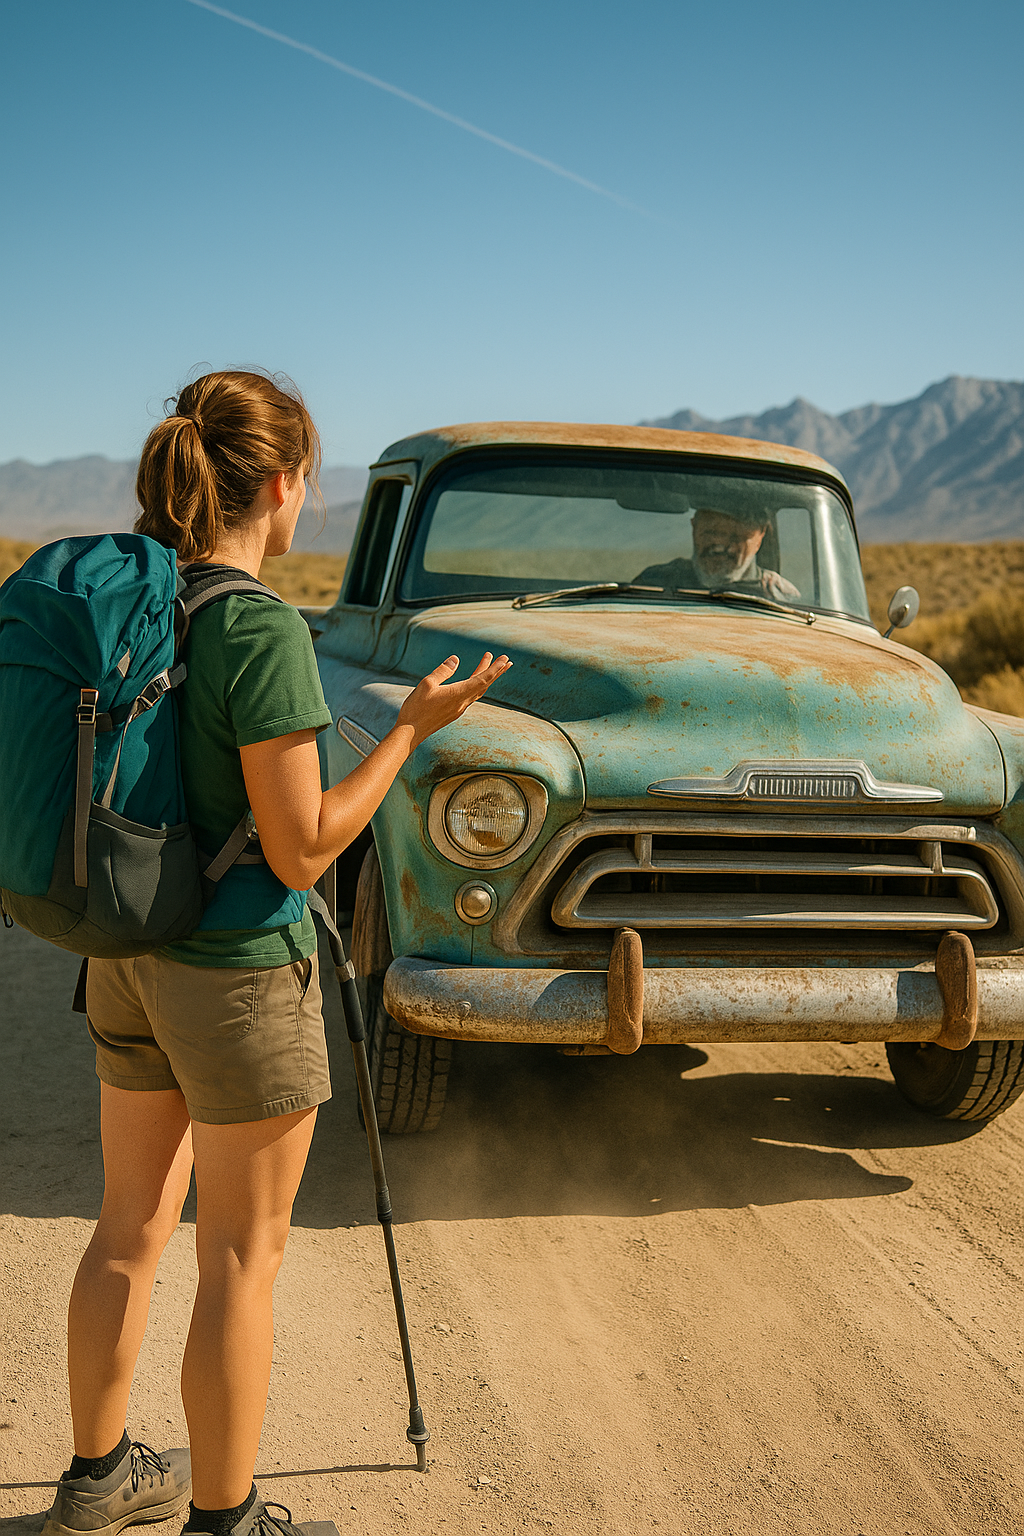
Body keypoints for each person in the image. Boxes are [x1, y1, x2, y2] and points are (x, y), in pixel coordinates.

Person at [43, 371, 511, 1536]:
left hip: (124, 954)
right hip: (237, 973)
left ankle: (97, 1482)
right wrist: (405, 733)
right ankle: (227, 1516)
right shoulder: (256, 628)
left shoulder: (140, 604)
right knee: (240, 1259)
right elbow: (303, 851)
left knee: (128, 1228)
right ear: (287, 483)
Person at [635, 505, 800, 601]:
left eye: (736, 536)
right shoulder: (653, 582)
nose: (720, 544)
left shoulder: (780, 597)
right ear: (694, 528)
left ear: (760, 536)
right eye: (711, 532)